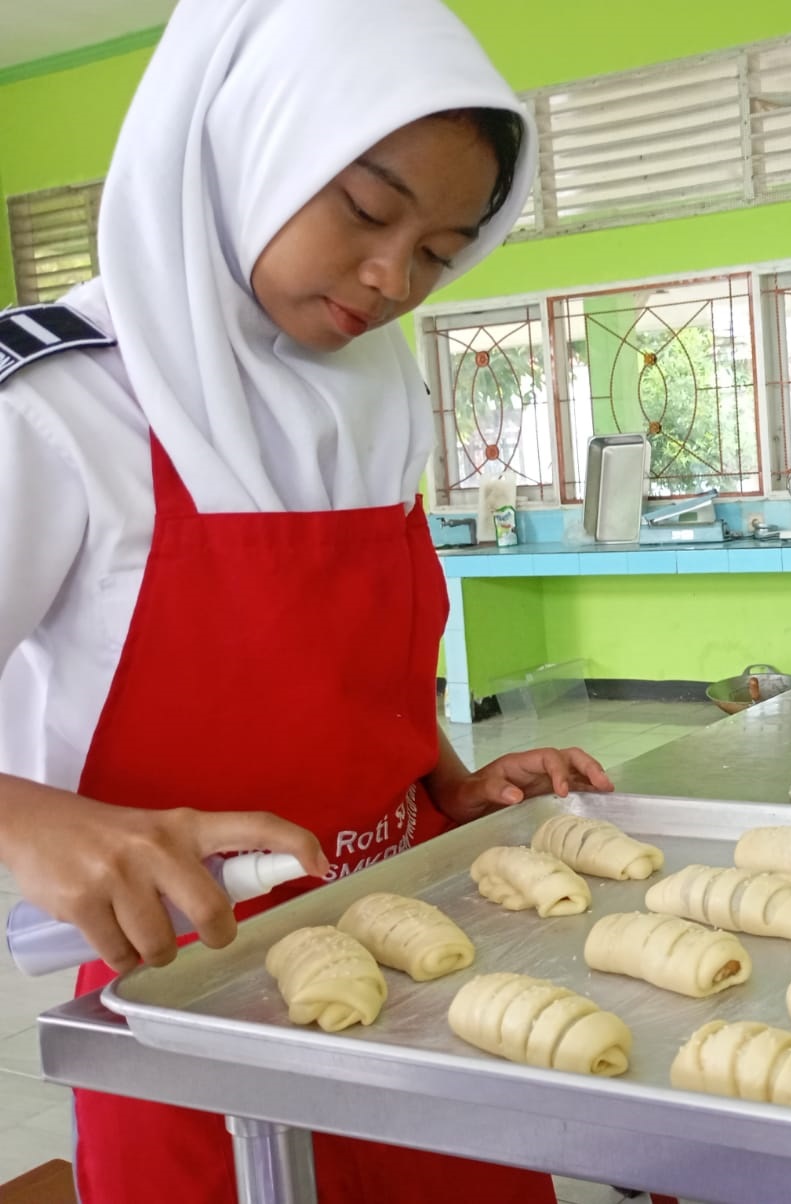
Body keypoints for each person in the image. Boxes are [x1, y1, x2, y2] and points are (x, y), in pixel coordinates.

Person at [0, 2, 610, 1200]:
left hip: (436, 972)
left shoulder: (369, 393)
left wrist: (442, 781)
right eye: (368, 212)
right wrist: (28, 819)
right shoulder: (55, 408)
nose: (393, 280)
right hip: (196, 997)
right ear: (245, 143)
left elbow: (350, 666)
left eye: (440, 250)